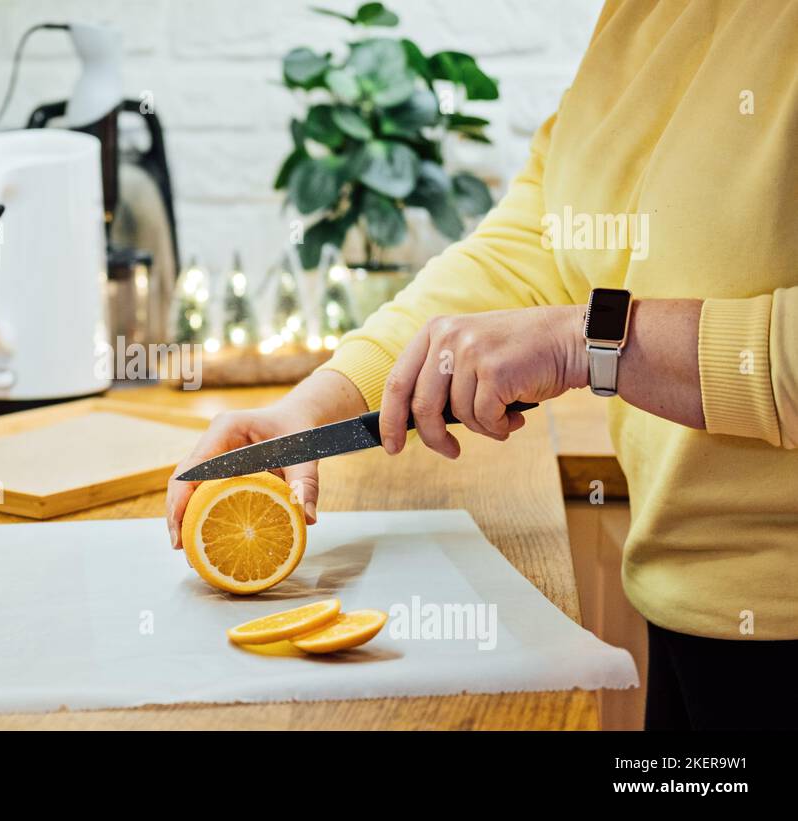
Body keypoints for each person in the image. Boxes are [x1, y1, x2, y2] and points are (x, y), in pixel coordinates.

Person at [166, 0, 798, 731]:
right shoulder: (647, 13)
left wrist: (583, 342)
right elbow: (538, 234)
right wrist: (317, 404)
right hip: (688, 613)